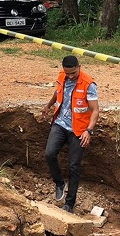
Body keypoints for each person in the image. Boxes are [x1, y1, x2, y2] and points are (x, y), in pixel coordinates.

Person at [42, 55, 99, 214]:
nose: (70, 76)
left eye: (73, 73)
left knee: (74, 166)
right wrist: (48, 106)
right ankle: (59, 183)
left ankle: (69, 204)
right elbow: (57, 93)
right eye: (68, 74)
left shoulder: (88, 84)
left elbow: (95, 110)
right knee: (49, 153)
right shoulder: (62, 76)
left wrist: (89, 130)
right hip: (60, 123)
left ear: (79, 67)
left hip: (79, 130)